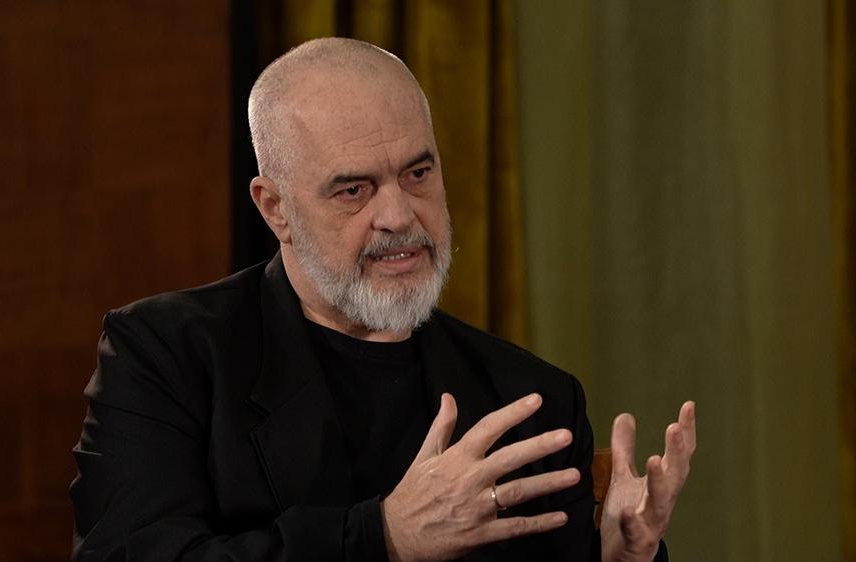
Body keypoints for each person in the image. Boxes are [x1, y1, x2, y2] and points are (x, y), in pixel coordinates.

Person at [70, 37, 696, 562]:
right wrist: (383, 536)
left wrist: (623, 561)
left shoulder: (531, 397)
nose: (399, 215)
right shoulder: (165, 356)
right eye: (354, 190)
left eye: (417, 174)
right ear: (275, 208)